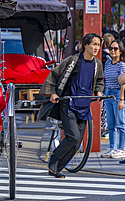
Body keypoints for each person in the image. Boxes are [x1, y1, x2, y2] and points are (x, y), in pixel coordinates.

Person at [39, 33, 104, 178]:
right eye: (93, 44)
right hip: (68, 103)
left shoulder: (97, 64)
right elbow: (54, 76)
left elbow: (99, 80)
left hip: (84, 105)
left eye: (98, 45)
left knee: (77, 142)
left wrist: (99, 92)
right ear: (85, 45)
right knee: (73, 137)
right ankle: (54, 160)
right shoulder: (73, 61)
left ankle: (56, 168)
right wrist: (53, 93)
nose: (96, 47)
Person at [100, 39, 125, 158]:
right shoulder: (107, 63)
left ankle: (122, 148)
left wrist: (121, 99)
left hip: (117, 94)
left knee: (120, 123)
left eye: (116, 49)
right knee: (111, 124)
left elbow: (123, 83)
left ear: (121, 51)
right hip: (108, 94)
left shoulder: (122, 65)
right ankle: (112, 148)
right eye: (111, 48)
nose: (113, 51)